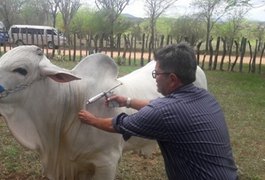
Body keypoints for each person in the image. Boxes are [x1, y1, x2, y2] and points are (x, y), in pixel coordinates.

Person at [78, 42, 238, 179]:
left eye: (156, 74)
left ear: (173, 79)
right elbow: (158, 106)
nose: (154, 77)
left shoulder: (164, 112)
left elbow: (119, 125)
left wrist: (91, 119)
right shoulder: (206, 97)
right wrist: (127, 101)